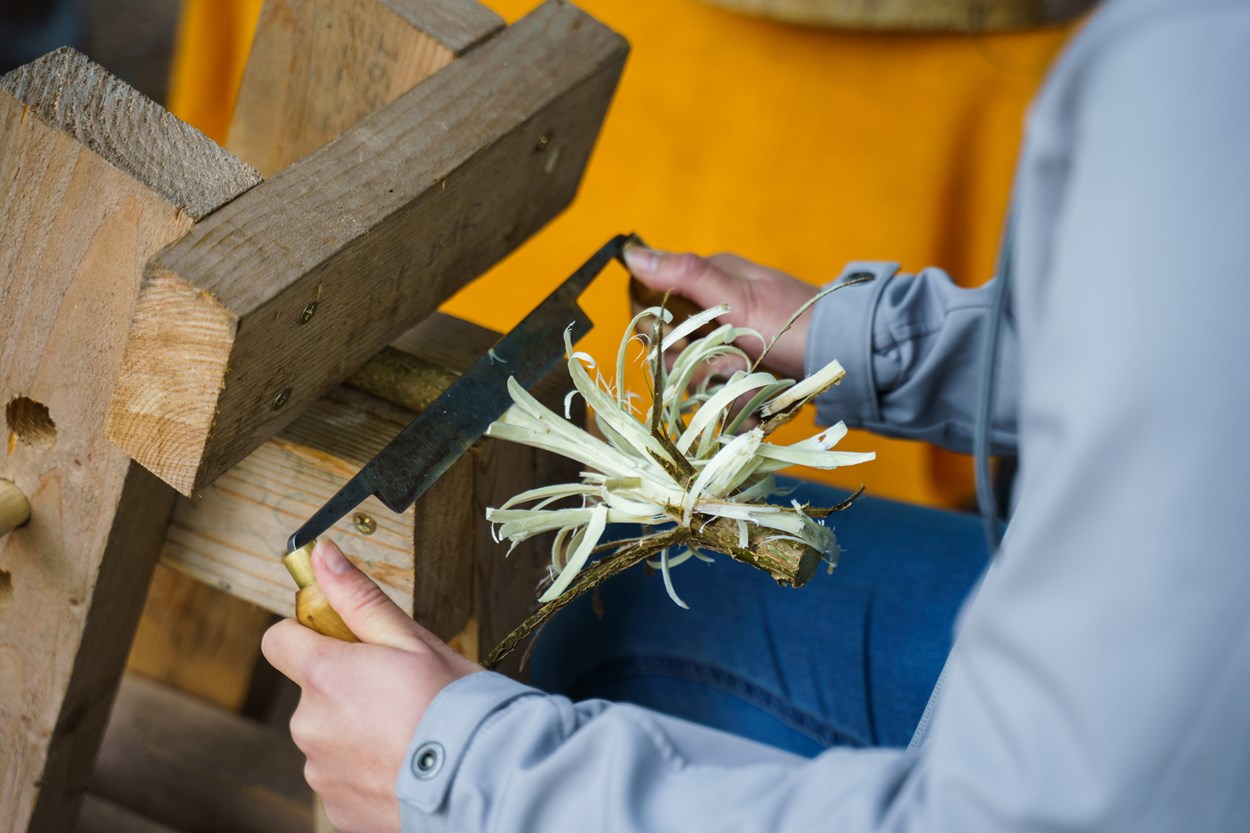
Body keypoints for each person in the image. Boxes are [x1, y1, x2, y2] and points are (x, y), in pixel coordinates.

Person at [260, 0, 1250, 830]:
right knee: (604, 604)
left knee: (558, 641)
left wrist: (472, 771)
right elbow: (1178, 337)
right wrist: (866, 339)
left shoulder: (1191, 87)